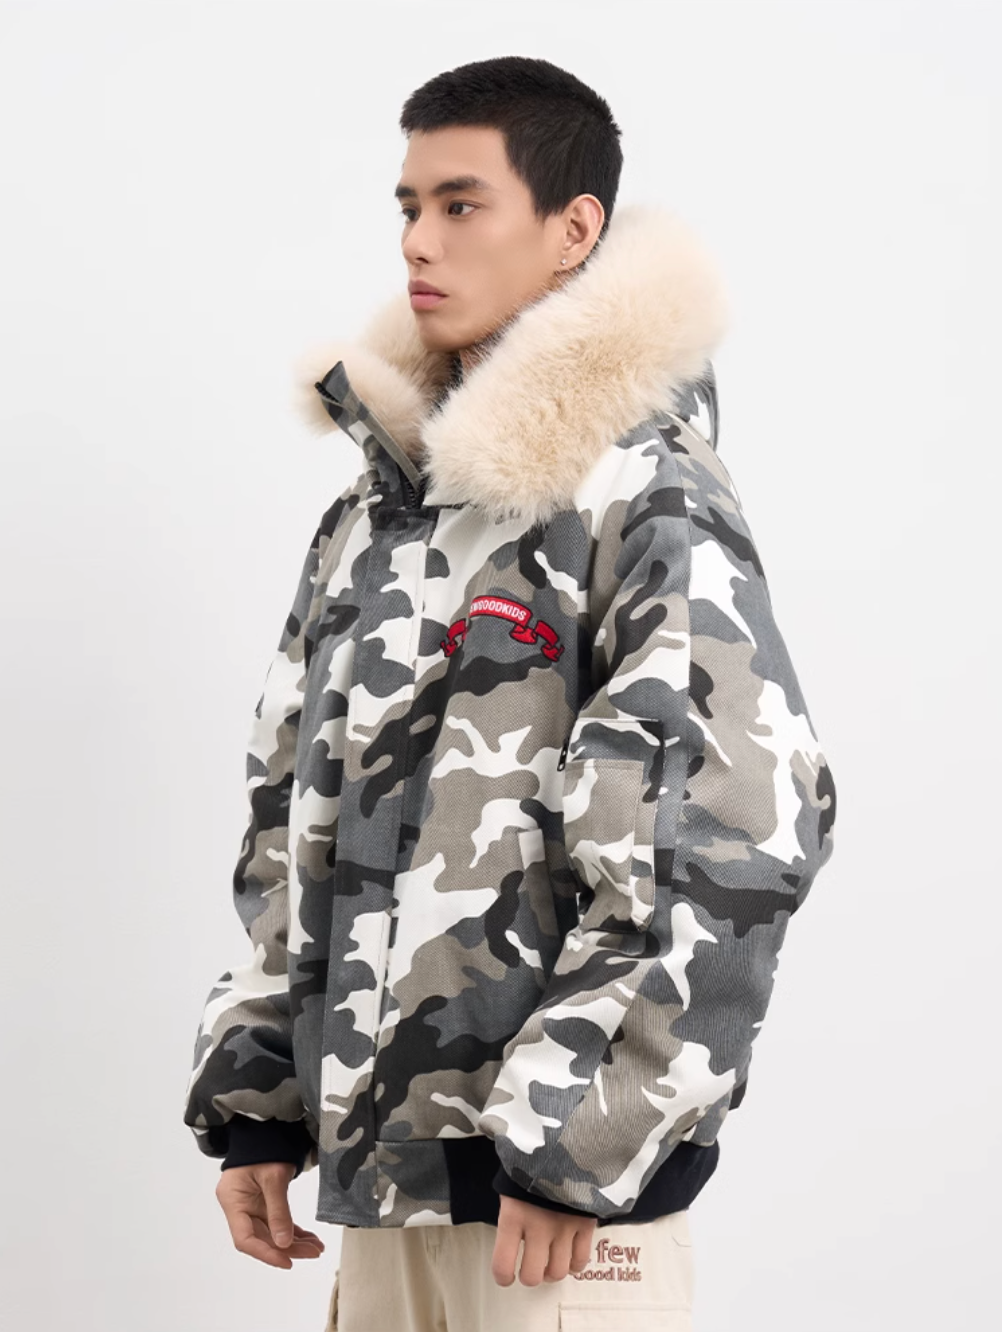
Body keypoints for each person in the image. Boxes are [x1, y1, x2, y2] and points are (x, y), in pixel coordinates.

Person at [182, 55, 837, 1331]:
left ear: (574, 228)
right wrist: (260, 1099)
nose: (418, 241)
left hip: (560, 1223)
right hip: (386, 1202)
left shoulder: (645, 491)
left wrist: (575, 1141)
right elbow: (290, 822)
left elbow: (725, 831)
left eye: (462, 204)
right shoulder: (376, 518)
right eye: (408, 205)